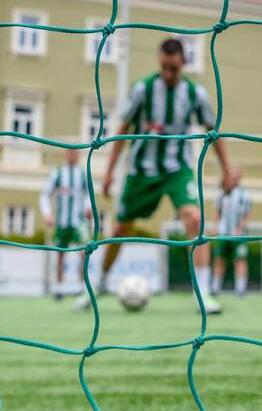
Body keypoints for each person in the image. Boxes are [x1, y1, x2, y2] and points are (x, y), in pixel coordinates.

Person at [76, 38, 233, 314]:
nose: (168, 74)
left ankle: (203, 293)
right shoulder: (143, 90)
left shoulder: (195, 94)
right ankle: (98, 284)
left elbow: (213, 132)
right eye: (163, 68)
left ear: (183, 63)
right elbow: (123, 130)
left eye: (173, 68)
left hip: (177, 168)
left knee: (195, 220)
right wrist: (110, 171)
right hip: (141, 172)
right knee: (120, 230)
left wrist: (228, 169)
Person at [40, 147, 92, 300]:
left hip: (79, 221)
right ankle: (59, 288)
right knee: (60, 254)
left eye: (75, 152)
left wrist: (89, 208)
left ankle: (82, 288)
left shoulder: (82, 174)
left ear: (78, 155)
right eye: (70, 152)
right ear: (66, 154)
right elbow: (45, 194)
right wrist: (47, 214)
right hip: (62, 221)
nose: (72, 155)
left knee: (84, 253)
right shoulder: (57, 173)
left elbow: (89, 193)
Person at [211, 166, 251, 298]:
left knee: (240, 260)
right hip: (223, 234)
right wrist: (214, 226)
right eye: (232, 175)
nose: (234, 178)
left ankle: (240, 288)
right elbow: (217, 212)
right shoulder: (221, 194)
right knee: (218, 259)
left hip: (239, 236)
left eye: (237, 175)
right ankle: (215, 287)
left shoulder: (244, 195)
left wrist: (240, 229)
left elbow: (246, 215)